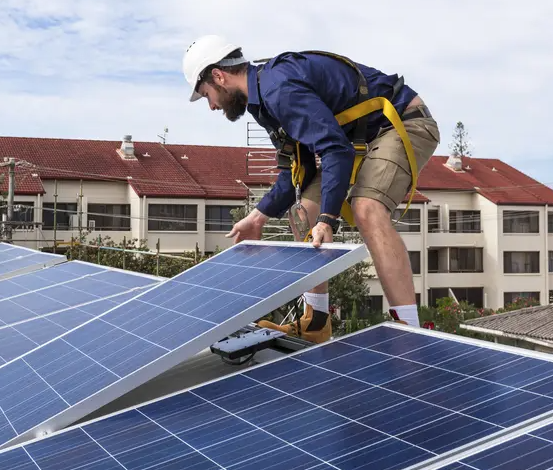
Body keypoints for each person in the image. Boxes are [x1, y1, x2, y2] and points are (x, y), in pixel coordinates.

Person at [183, 35, 440, 343]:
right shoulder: (263, 100)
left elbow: (336, 150)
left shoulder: (278, 89)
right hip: (358, 138)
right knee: (304, 209)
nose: (211, 105)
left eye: (207, 94)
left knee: (366, 208)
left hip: (403, 122)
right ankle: (316, 322)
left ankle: (409, 334)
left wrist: (328, 218)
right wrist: (258, 217)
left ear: (218, 76)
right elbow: (298, 171)